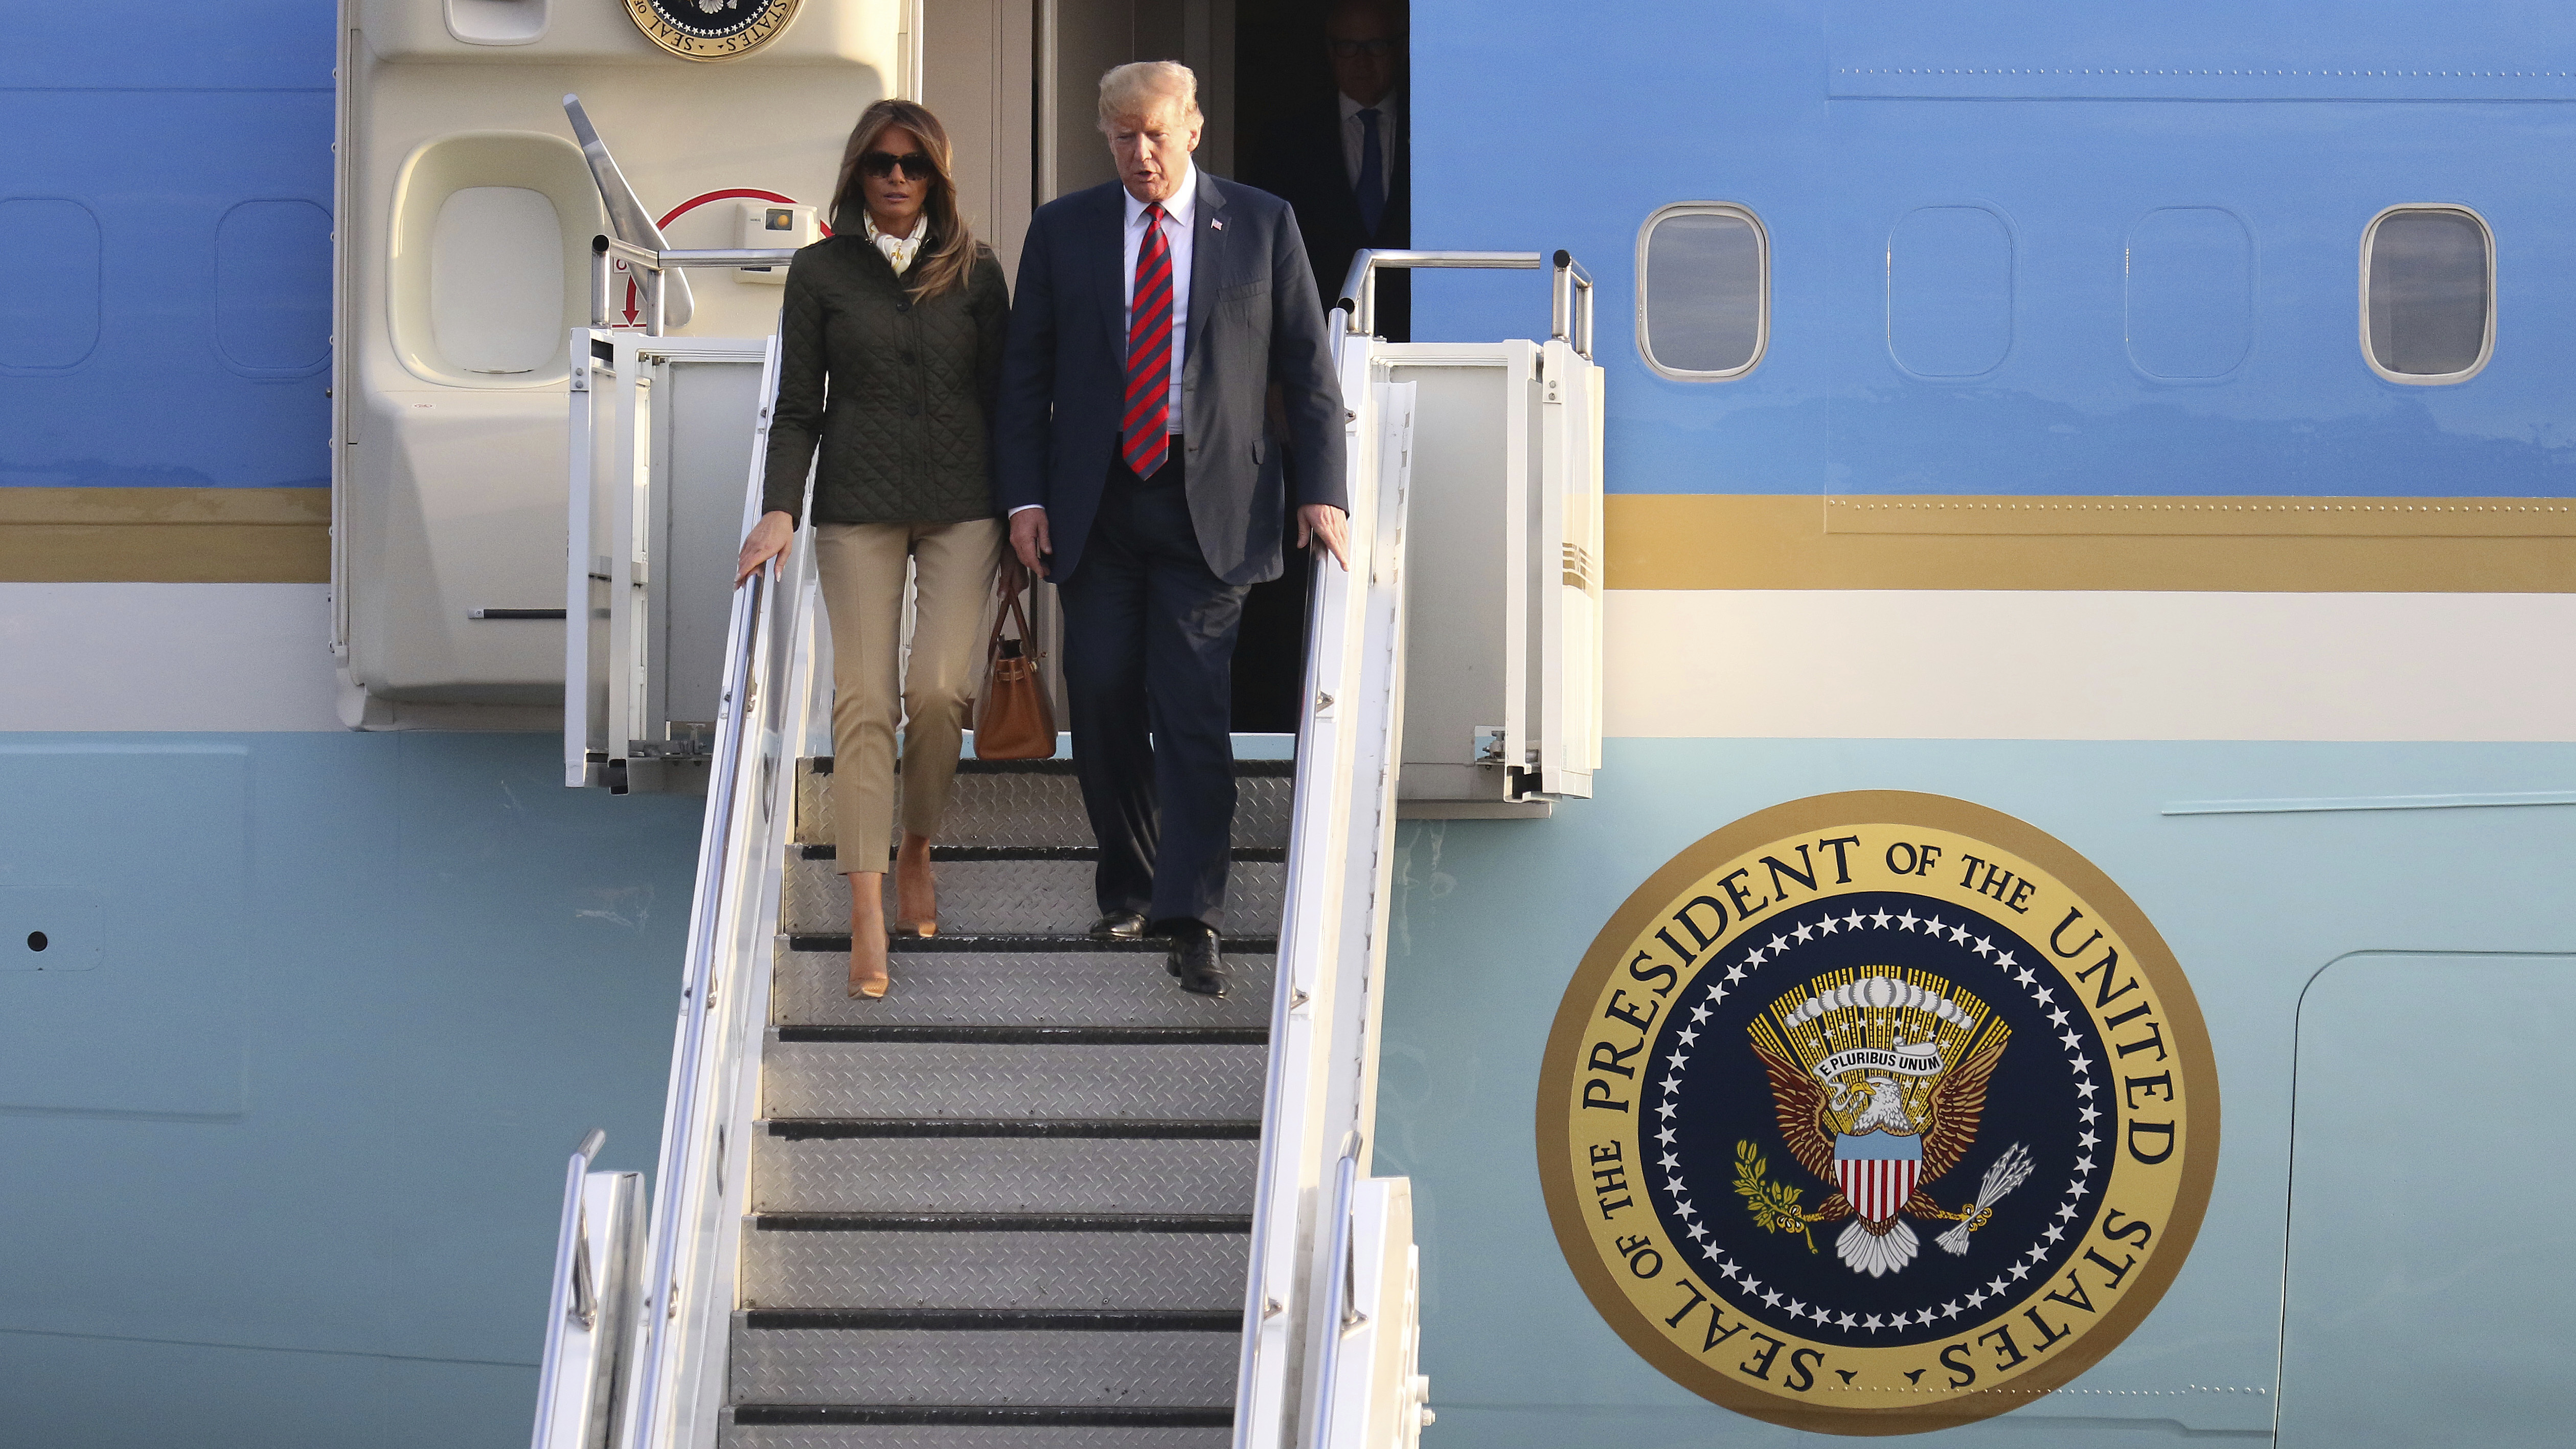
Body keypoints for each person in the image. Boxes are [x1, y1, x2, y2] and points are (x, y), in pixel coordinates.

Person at [995, 61, 1347, 997]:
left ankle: (1191, 913)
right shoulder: (1063, 228)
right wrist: (1022, 499)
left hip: (1213, 502)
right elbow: (1024, 374)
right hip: (1097, 498)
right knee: (1101, 689)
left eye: (1154, 133)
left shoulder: (1262, 223)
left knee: (1189, 702)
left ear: (1192, 125)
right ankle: (1128, 883)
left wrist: (1324, 492)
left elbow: (1309, 372)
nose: (1139, 153)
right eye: (1120, 136)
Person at [736, 98, 1013, 1001]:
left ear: (937, 176)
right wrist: (780, 509)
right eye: (880, 163)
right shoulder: (818, 271)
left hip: (962, 507)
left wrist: (1023, 513)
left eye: (913, 165)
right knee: (861, 700)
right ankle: (863, 906)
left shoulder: (976, 271)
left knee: (936, 692)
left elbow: (1007, 404)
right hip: (854, 508)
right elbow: (799, 406)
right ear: (856, 173)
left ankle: (918, 844)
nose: (896, 178)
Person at [1246, 0, 1409, 342]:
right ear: (1330, 52)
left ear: (1400, 48)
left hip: (1419, 337)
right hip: (1317, 343)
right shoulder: (1287, 141)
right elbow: (1264, 259)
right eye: (1348, 47)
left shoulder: (1430, 133)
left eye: (1376, 46)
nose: (1362, 61)